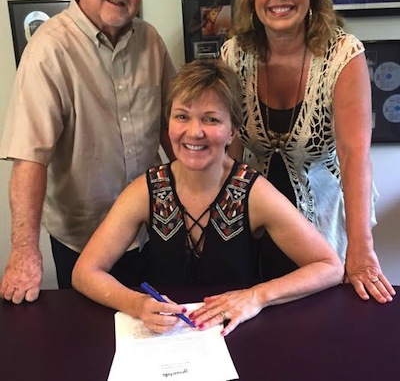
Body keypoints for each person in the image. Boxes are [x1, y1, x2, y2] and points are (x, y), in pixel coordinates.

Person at [72, 59, 343, 336]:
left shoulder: (253, 191)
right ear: (168, 124)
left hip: (237, 333)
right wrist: (138, 304)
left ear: (232, 132)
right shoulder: (146, 189)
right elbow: (85, 272)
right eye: (182, 116)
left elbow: (330, 267)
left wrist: (257, 296)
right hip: (166, 338)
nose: (194, 132)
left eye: (211, 119)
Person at [0, 0, 176, 304]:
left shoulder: (151, 42)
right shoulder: (48, 51)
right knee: (92, 349)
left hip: (151, 230)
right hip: (85, 245)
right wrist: (24, 251)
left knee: (159, 335)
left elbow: (171, 127)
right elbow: (30, 157)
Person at [220, 0, 395, 303]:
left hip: (325, 223)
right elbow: (229, 152)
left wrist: (361, 248)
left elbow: (354, 156)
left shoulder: (343, 54)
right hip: (256, 220)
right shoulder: (234, 54)